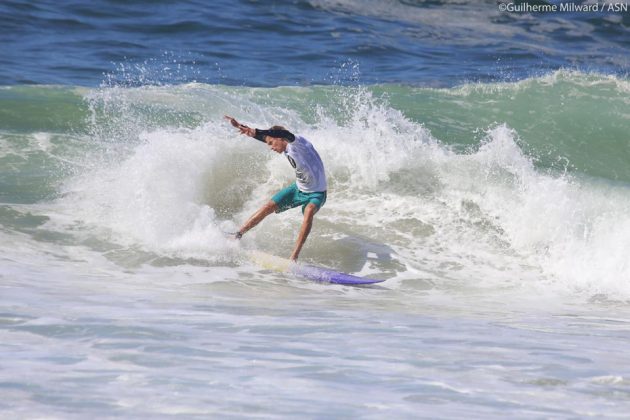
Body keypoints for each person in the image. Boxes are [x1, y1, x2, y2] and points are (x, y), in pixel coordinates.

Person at [224, 115, 327, 261]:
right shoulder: (284, 146)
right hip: (298, 188)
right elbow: (264, 137)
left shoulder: (298, 144)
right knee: (268, 206)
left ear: (280, 139)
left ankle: (294, 257)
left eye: (272, 143)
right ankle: (237, 235)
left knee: (309, 211)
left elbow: (283, 133)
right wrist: (246, 129)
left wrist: (257, 130)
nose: (271, 147)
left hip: (316, 193)